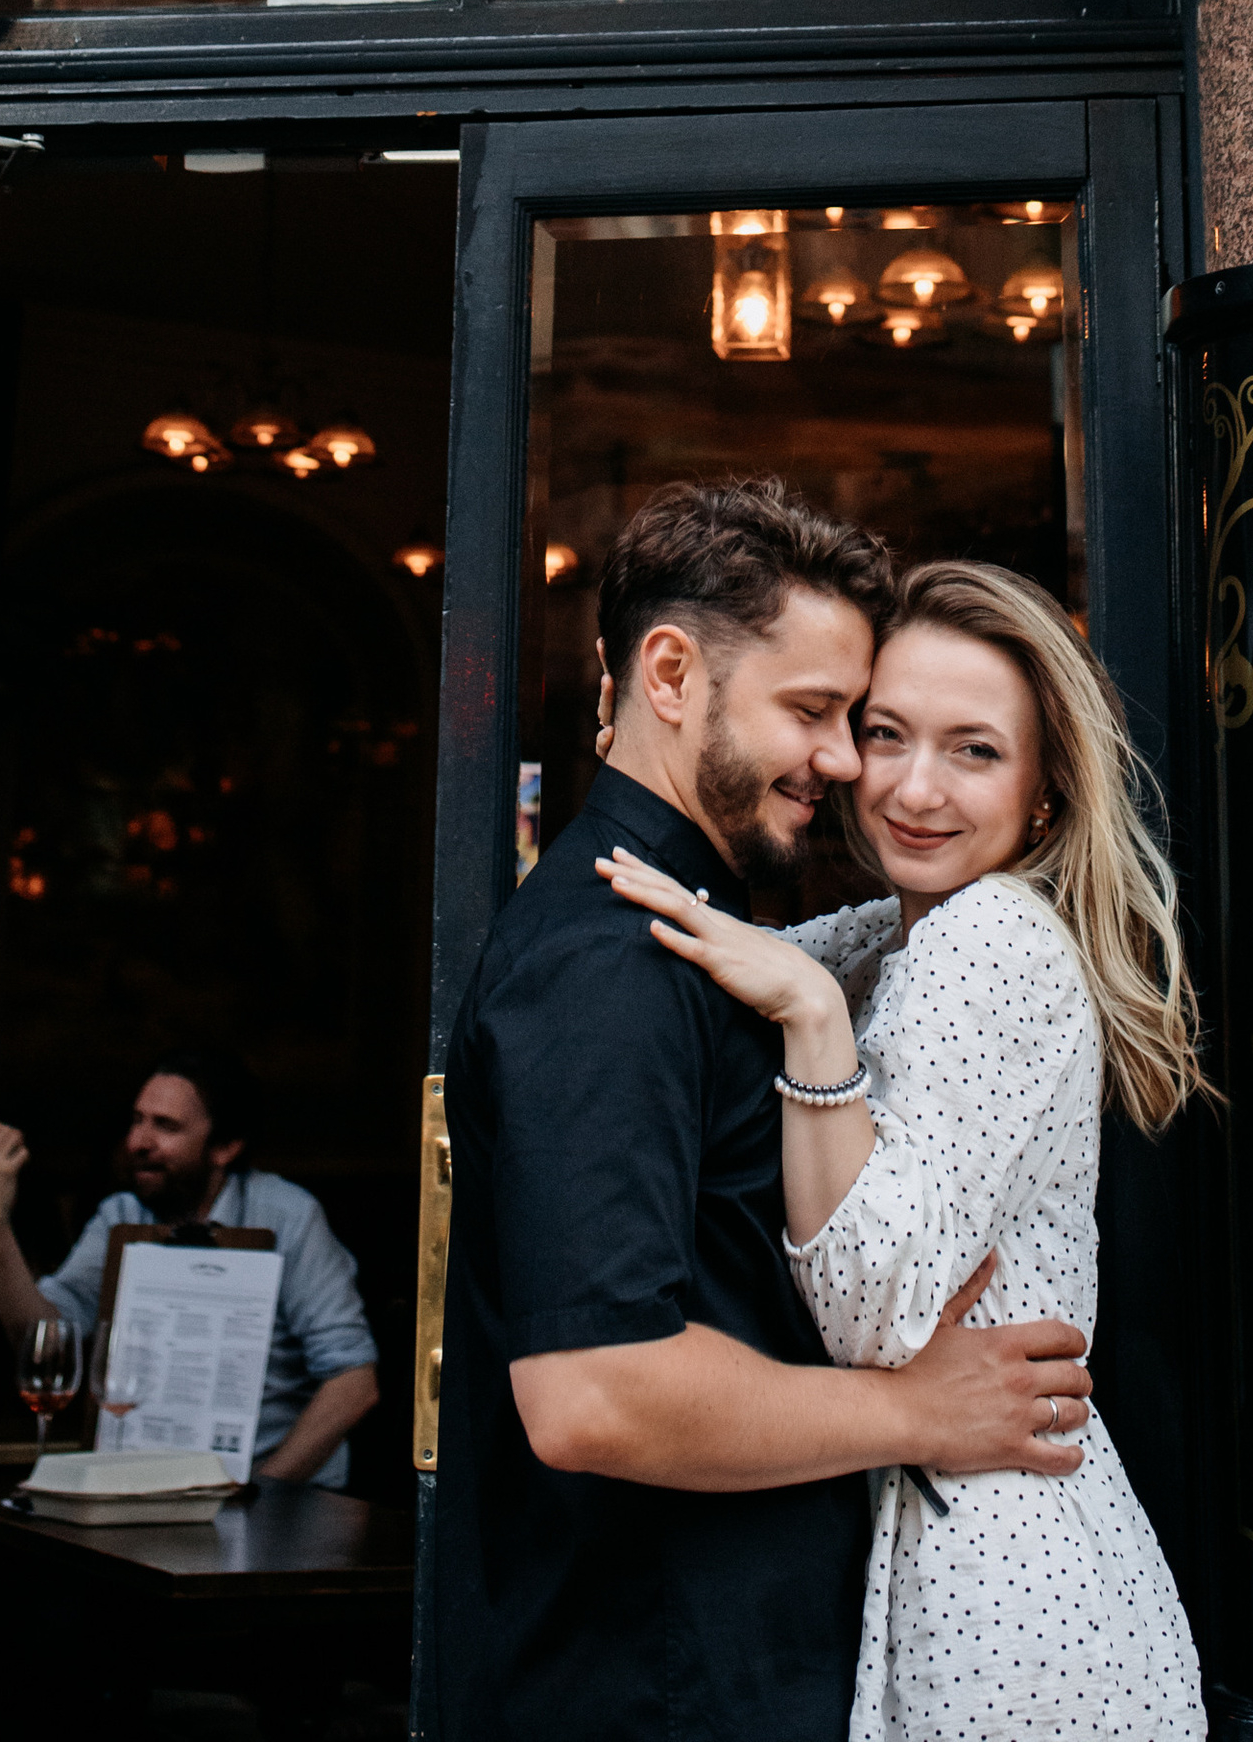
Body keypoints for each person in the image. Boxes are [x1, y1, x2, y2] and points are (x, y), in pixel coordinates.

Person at [437, 481, 1103, 1742]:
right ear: (671, 674)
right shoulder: (610, 965)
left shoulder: (738, 937)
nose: (848, 763)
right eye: (817, 714)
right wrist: (912, 1413)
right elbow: (595, 1391)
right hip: (666, 1684)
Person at [604, 553, 1206, 1742]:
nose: (913, 788)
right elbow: (731, 957)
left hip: (1001, 1583)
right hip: (977, 1541)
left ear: (1044, 790)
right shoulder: (897, 932)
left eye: (973, 750)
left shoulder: (984, 939)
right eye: (885, 735)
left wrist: (813, 1028)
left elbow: (876, 1315)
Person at [0, 1057, 380, 1484]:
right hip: (140, 1486)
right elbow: (41, 1339)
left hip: (275, 1500)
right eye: (137, 1121)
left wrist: (259, 1491)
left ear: (226, 1147)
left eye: (166, 1126)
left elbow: (354, 1382)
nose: (138, 1141)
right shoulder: (121, 1216)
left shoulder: (287, 1217)